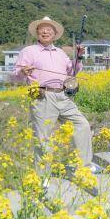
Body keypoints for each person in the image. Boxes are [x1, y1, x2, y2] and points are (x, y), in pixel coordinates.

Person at [13, 16, 100, 173]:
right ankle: (42, 175)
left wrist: (78, 57)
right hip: (42, 96)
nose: (45, 31)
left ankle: (85, 166)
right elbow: (15, 74)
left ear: (54, 34)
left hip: (63, 95)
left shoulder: (61, 52)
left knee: (82, 125)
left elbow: (72, 71)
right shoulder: (29, 51)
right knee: (43, 136)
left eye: (49, 29)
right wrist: (22, 71)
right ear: (37, 32)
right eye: (42, 29)